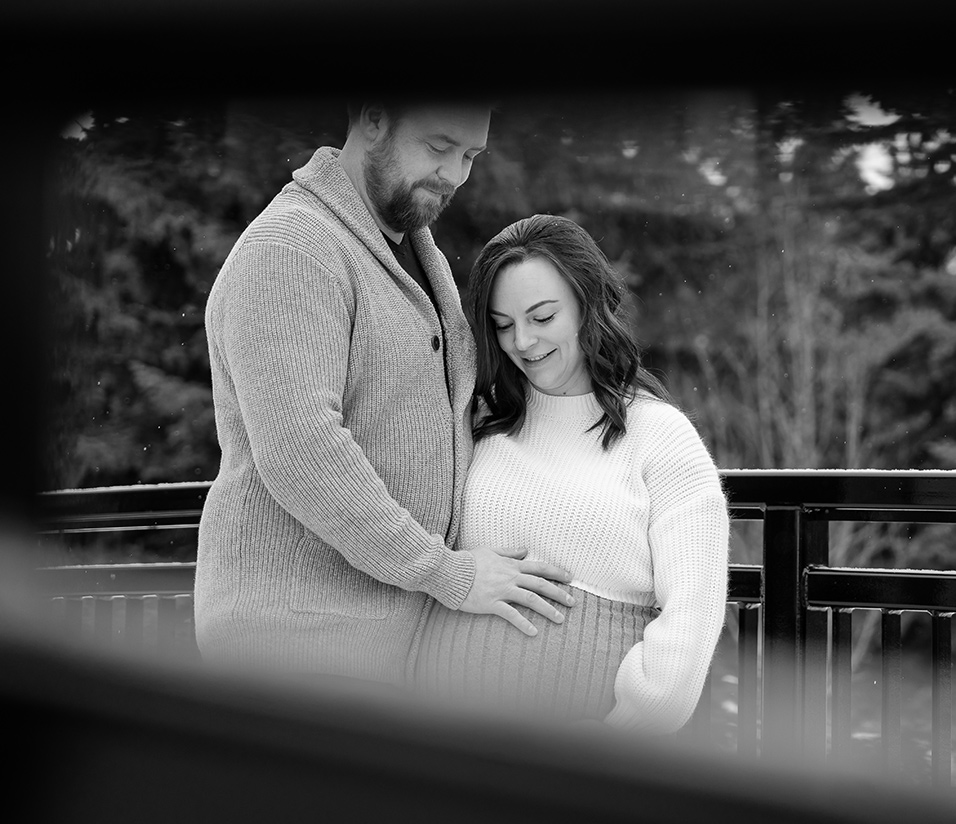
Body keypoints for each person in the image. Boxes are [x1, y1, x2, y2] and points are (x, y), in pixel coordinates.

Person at [195, 101, 575, 688]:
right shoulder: (292, 248)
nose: (455, 174)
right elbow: (301, 450)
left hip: (386, 648)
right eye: (439, 146)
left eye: (471, 155)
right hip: (295, 645)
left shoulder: (418, 252)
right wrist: (446, 574)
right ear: (374, 119)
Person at [417, 214, 730, 734]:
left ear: (588, 305)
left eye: (542, 317)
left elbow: (691, 616)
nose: (523, 341)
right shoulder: (476, 422)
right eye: (503, 325)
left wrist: (625, 735)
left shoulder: (659, 436)